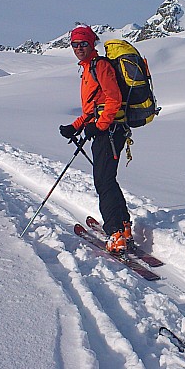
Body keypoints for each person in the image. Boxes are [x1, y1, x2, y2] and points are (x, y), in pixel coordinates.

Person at [59, 25, 132, 253]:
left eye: (83, 44)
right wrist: (76, 126)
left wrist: (98, 127)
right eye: (75, 44)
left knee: (103, 182)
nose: (79, 48)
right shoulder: (88, 68)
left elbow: (114, 99)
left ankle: (115, 234)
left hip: (110, 132)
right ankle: (123, 226)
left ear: (92, 44)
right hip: (105, 130)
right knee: (107, 179)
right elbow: (94, 106)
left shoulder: (100, 66)